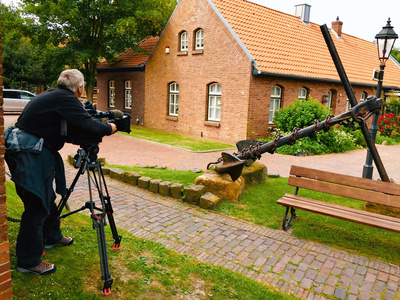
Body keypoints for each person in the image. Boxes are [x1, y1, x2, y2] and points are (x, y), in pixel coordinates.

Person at [5, 69, 117, 275]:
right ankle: (28, 261)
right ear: (80, 87)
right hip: (30, 153)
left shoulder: (51, 95)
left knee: (47, 199)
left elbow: (62, 130)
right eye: (83, 86)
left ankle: (52, 237)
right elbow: (87, 124)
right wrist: (110, 127)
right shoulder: (66, 98)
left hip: (31, 150)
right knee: (36, 205)